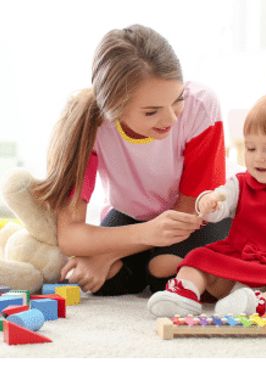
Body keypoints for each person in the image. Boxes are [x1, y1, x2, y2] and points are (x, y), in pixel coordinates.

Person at [32, 24, 231, 296]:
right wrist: (143, 236)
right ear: (113, 109)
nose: (171, 119)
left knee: (169, 275)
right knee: (94, 280)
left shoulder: (202, 106)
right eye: (151, 112)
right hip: (134, 216)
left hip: (197, 215)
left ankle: (148, 264)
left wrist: (106, 254)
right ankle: (143, 262)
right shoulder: (90, 127)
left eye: (177, 99)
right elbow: (70, 236)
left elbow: (189, 213)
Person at [148, 92, 266, 317]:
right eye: (251, 148)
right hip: (238, 261)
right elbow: (219, 203)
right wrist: (207, 202)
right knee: (198, 258)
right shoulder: (240, 183)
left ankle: (258, 304)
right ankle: (184, 295)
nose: (258, 158)